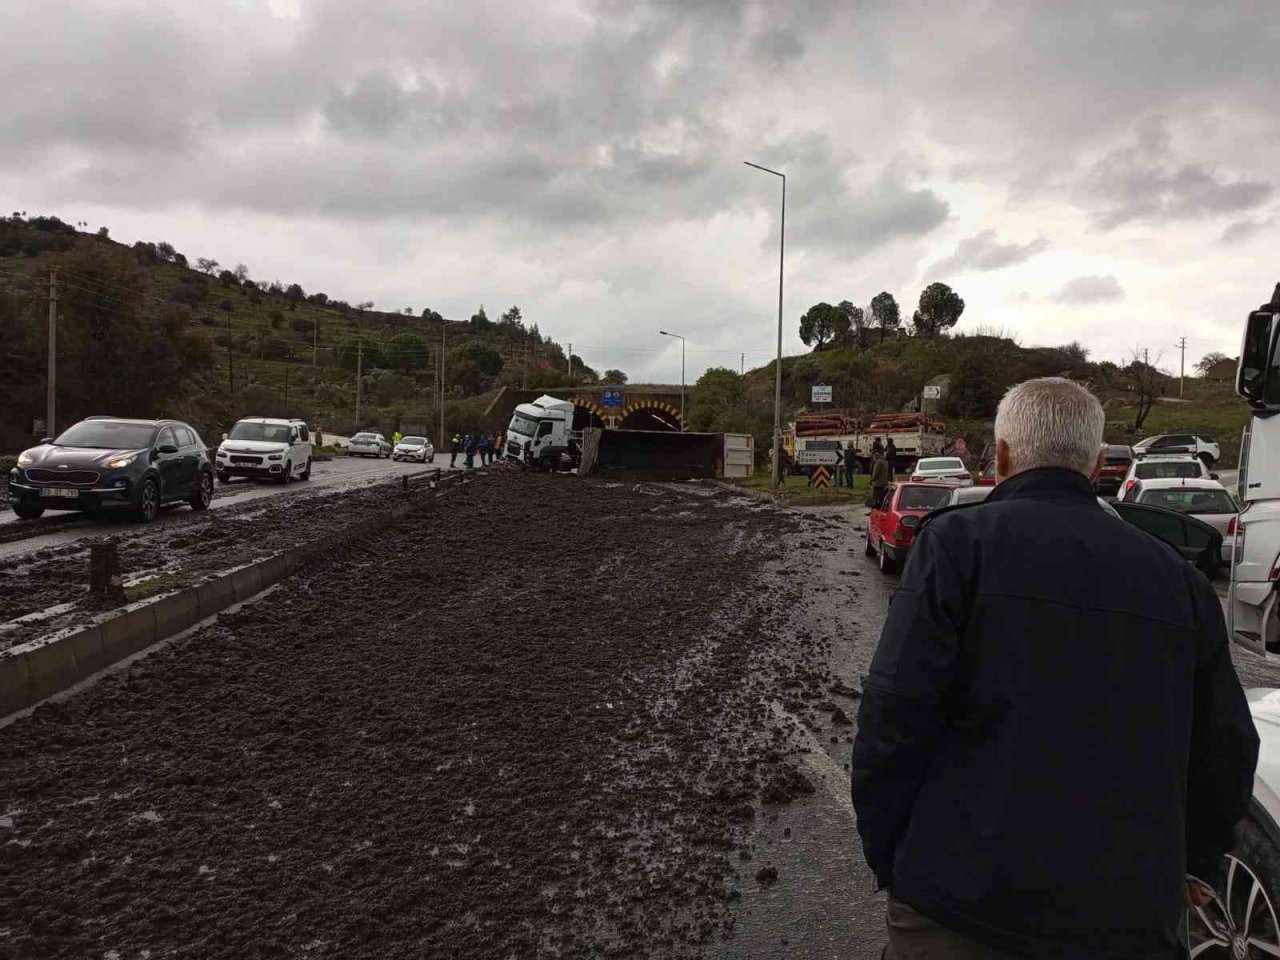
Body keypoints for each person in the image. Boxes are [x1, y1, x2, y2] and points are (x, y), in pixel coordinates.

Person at [852, 377, 1258, 960]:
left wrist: (893, 858)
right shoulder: (1180, 580)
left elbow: (894, 719)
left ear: (1001, 456)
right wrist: (1192, 864)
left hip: (961, 904)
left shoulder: (956, 546)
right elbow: (1226, 748)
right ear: (1097, 464)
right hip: (1128, 918)